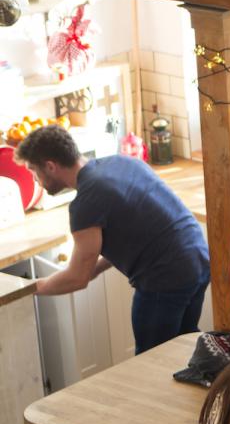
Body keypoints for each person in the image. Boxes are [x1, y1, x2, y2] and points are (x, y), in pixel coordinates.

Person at [15, 124, 209, 353]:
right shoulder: (122, 162)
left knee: (152, 362)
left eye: (34, 172)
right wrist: (96, 267)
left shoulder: (86, 202)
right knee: (185, 353)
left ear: (50, 166)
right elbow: (140, 228)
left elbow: (77, 278)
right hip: (198, 259)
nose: (36, 181)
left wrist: (29, 288)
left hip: (164, 277)